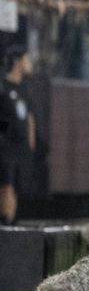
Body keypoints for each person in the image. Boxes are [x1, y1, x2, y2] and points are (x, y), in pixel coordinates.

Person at [0, 45, 34, 225]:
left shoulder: (24, 89)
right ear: (17, 61)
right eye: (27, 59)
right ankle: (5, 221)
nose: (30, 63)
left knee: (16, 187)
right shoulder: (3, 87)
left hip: (20, 147)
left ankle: (11, 221)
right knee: (6, 184)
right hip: (5, 144)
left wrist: (30, 145)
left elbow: (29, 118)